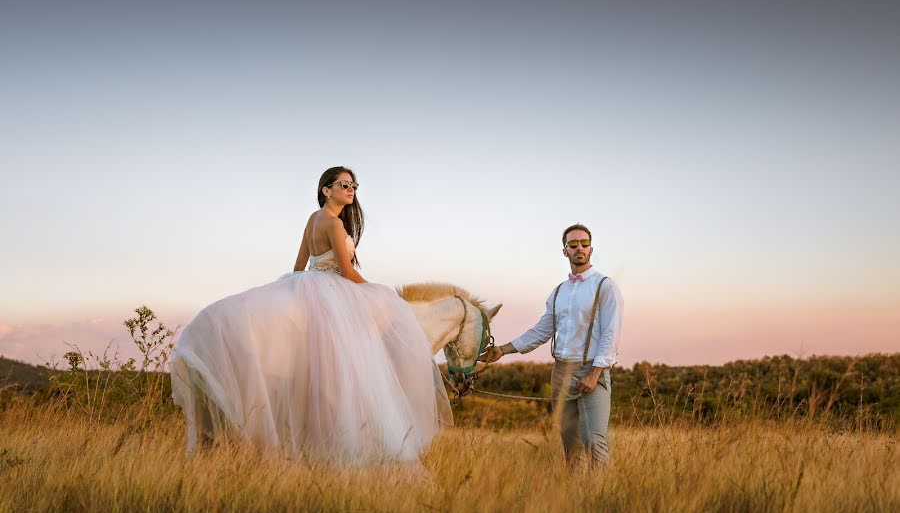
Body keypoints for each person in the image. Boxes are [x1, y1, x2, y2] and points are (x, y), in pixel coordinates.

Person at [168, 166, 452, 464]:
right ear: (326, 190)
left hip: (309, 282)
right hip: (330, 288)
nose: (351, 189)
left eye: (353, 184)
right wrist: (375, 289)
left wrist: (295, 290)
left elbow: (299, 265)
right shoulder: (334, 225)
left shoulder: (313, 220)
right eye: (343, 184)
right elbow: (346, 271)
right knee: (355, 352)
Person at [481, 223, 623, 468]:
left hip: (591, 371)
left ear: (591, 249)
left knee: (593, 441)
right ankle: (574, 499)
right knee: (570, 445)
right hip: (561, 373)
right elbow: (541, 331)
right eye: (573, 244)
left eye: (584, 244)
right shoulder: (559, 292)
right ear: (565, 251)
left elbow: (611, 333)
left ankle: (602, 498)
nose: (579, 248)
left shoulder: (605, 286)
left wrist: (595, 372)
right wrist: (503, 349)